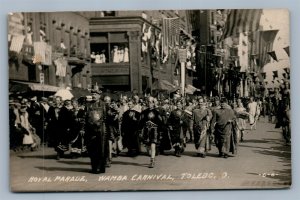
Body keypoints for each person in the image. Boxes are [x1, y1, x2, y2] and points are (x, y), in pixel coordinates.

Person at [85, 92, 108, 174]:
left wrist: (100, 123)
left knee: (101, 149)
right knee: (92, 149)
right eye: (93, 94)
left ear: (99, 95)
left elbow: (106, 117)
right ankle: (94, 167)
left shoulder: (104, 104)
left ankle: (101, 167)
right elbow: (86, 117)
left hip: (101, 130)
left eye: (95, 94)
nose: (93, 96)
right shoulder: (88, 105)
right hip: (91, 130)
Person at [140, 96, 162, 168]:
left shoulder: (156, 112)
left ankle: (152, 161)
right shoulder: (144, 112)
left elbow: (160, 122)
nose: (149, 103)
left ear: (153, 103)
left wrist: (159, 129)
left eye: (151, 102)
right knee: (148, 147)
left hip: (154, 131)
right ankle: (152, 156)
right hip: (146, 131)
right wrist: (141, 130)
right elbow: (141, 121)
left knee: (153, 145)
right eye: (148, 102)